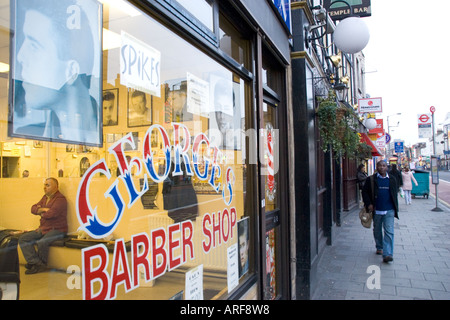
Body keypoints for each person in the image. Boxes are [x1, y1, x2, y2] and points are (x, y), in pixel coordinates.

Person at [12, 0, 100, 145]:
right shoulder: (27, 134)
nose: (20, 56)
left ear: (71, 71)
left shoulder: (105, 131)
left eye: (34, 46)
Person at [18, 178, 68, 274]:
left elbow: (51, 214)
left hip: (58, 229)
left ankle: (37, 265)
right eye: (44, 185)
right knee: (23, 239)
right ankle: (36, 262)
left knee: (42, 242)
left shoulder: (61, 199)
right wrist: (43, 210)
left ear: (56, 187)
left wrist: (41, 211)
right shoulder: (45, 198)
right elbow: (33, 209)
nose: (44, 187)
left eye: (47, 185)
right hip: (44, 228)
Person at [362, 160, 399, 263]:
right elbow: (364, 192)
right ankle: (379, 246)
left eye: (384, 166)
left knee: (389, 231)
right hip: (377, 210)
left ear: (386, 167)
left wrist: (396, 207)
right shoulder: (371, 179)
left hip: (389, 210)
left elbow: (394, 193)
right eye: (380, 166)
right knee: (377, 230)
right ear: (377, 167)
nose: (382, 168)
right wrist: (369, 203)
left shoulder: (392, 179)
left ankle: (387, 254)